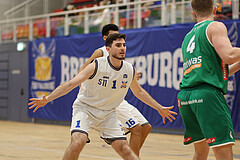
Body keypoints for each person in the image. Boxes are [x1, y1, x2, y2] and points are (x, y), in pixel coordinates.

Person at [29, 33, 177, 160]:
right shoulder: (96, 65)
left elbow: (139, 92)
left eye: (124, 45)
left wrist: (159, 108)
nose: (122, 48)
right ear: (108, 49)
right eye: (118, 45)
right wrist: (47, 99)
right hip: (85, 109)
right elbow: (70, 84)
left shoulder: (129, 69)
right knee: (79, 141)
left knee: (125, 150)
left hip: (108, 114)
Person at [177, 0, 240, 159]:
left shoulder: (187, 37)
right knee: (223, 152)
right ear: (214, 8)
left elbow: (212, 73)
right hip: (207, 96)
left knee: (200, 153)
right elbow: (230, 55)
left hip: (187, 99)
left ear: (193, 13)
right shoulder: (215, 26)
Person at [79, 23, 152, 157]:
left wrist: (134, 76)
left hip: (117, 96)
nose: (118, 41)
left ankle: (132, 156)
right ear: (105, 38)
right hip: (104, 98)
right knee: (136, 129)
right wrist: (84, 90)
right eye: (113, 36)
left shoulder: (119, 52)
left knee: (146, 127)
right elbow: (82, 70)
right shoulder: (100, 52)